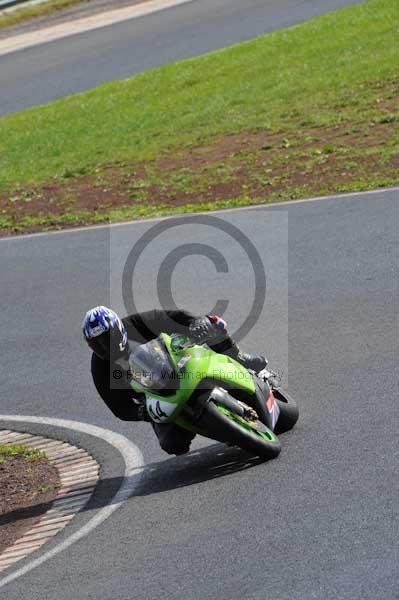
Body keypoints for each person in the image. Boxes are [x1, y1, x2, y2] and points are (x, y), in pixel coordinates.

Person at [83, 306, 266, 456]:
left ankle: (239, 359)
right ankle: (225, 431)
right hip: (155, 397)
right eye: (96, 344)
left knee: (210, 323)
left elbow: (171, 317)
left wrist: (194, 322)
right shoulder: (99, 367)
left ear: (118, 328)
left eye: (106, 338)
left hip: (180, 365)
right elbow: (118, 407)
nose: (103, 347)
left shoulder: (136, 323)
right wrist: (142, 412)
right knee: (173, 444)